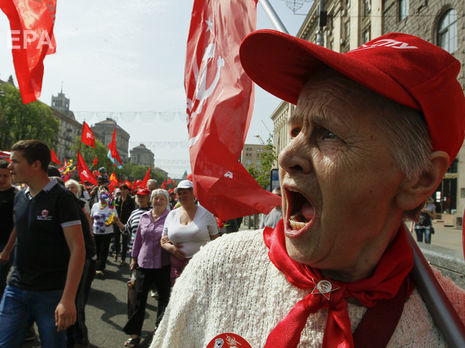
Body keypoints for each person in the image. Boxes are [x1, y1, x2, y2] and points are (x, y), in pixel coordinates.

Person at [151, 32, 465, 347]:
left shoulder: (451, 323)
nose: (287, 156)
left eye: (328, 133)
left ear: (420, 178)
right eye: (296, 130)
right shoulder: (219, 269)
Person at [0, 140, 85, 347]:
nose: (9, 167)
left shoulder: (62, 199)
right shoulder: (20, 197)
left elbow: (78, 249)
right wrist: (7, 250)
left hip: (51, 293)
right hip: (16, 289)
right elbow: (19, 230)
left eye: (15, 162)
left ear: (36, 165)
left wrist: (68, 299)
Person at [123, 189, 171, 347]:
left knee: (164, 301)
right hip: (143, 263)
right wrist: (133, 258)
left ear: (167, 201)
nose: (158, 201)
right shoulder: (144, 217)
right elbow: (137, 240)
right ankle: (135, 334)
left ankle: (160, 332)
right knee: (138, 300)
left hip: (163, 265)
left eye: (162, 199)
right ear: (151, 201)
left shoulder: (171, 218)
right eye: (156, 198)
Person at [160, 180, 219, 286]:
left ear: (194, 194)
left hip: (201, 268)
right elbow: (163, 240)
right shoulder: (171, 215)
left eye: (185, 192)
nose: (182, 196)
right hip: (177, 269)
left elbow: (216, 239)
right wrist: (171, 248)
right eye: (180, 193)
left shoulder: (207, 214)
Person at [65, 178, 97, 347]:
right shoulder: (61, 206)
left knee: (77, 304)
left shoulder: (80, 207)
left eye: (73, 188)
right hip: (63, 262)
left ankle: (80, 340)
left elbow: (86, 236)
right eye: (67, 188)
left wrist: (91, 257)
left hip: (82, 260)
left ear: (77, 191)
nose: (70, 190)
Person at [124, 188, 152, 319]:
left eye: (144, 196)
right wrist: (117, 222)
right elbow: (126, 231)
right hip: (134, 255)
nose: (141, 198)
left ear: (149, 198)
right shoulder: (134, 213)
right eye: (139, 196)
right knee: (134, 285)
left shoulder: (154, 213)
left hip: (149, 255)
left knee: (146, 285)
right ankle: (133, 313)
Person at [90, 186, 125, 277]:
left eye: (105, 194)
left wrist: (112, 222)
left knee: (103, 250)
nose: (103, 196)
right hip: (96, 232)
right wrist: (90, 230)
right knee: (96, 250)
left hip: (107, 232)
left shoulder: (111, 206)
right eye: (101, 194)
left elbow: (116, 219)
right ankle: (96, 266)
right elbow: (91, 218)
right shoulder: (95, 205)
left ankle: (101, 268)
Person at [0, 159, 17, 300]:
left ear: (11, 176)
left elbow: (17, 225)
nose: (1, 179)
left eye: (5, 176)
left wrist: (7, 250)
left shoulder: (16, 195)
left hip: (4, 245)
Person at [113, 184, 135, 265]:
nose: (123, 191)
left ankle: (123, 258)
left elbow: (132, 212)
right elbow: (113, 210)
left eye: (125, 189)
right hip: (117, 222)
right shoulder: (117, 199)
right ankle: (116, 253)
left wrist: (130, 221)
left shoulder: (131, 200)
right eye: (121, 189)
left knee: (125, 241)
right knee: (116, 239)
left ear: (128, 190)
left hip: (126, 223)